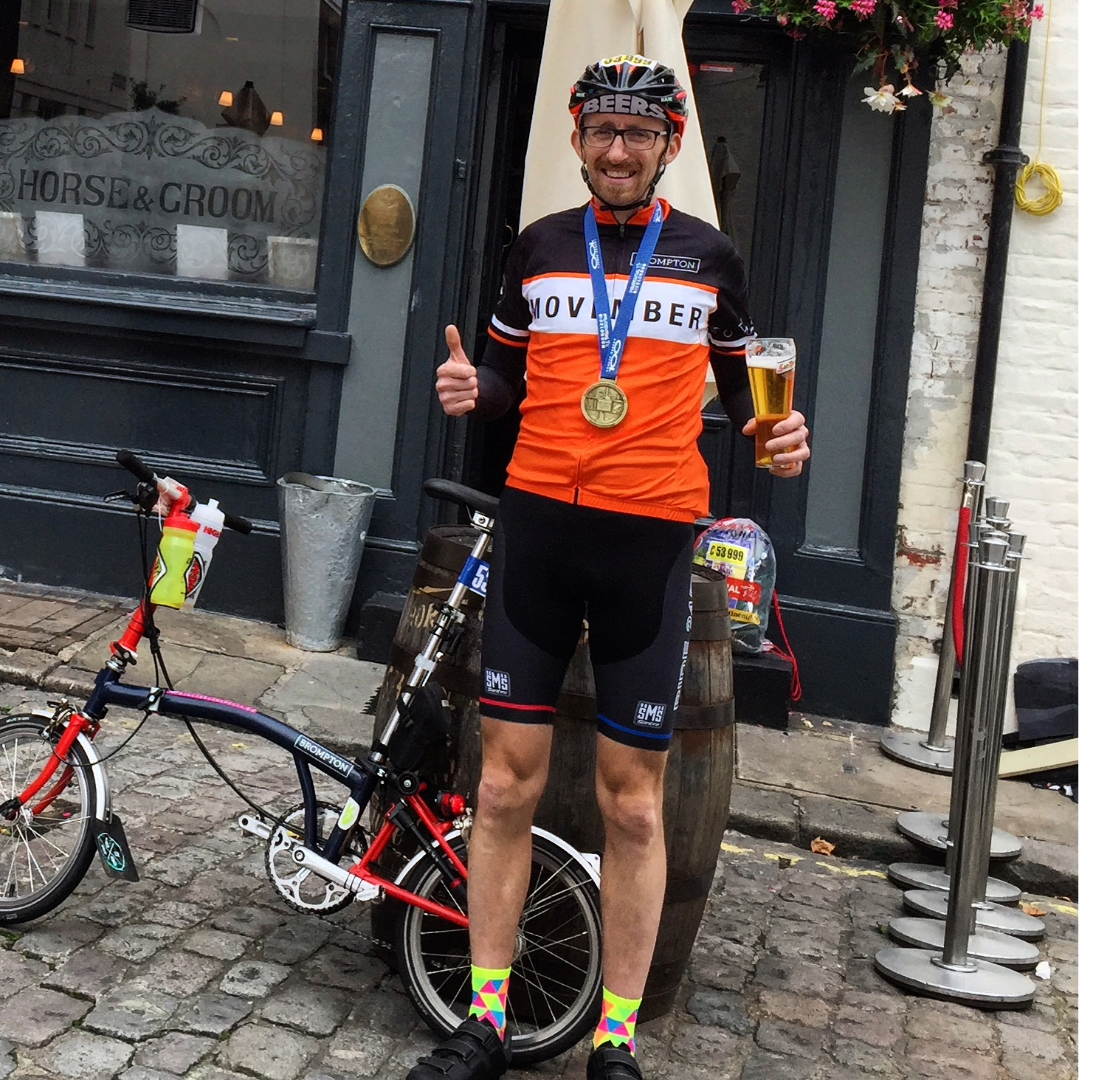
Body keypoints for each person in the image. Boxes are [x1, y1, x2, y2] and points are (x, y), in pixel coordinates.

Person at [406, 55, 810, 1080]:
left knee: (634, 803)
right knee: (502, 789)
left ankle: (615, 1039)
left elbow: (753, 404)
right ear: (578, 137)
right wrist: (472, 390)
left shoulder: (710, 258)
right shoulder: (539, 250)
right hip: (539, 528)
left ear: (669, 144)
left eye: (638, 134)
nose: (618, 149)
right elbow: (503, 383)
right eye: (600, 131)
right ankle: (487, 1018)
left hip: (649, 542)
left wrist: (782, 440)